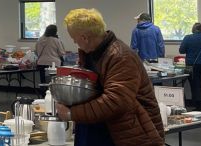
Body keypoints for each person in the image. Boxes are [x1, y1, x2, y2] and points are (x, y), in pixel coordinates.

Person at [54, 8, 165, 146]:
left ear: (84, 38)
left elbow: (115, 102)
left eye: (74, 39)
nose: (75, 43)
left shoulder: (120, 56)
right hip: (100, 126)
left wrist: (72, 114)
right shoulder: (92, 53)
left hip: (128, 131)